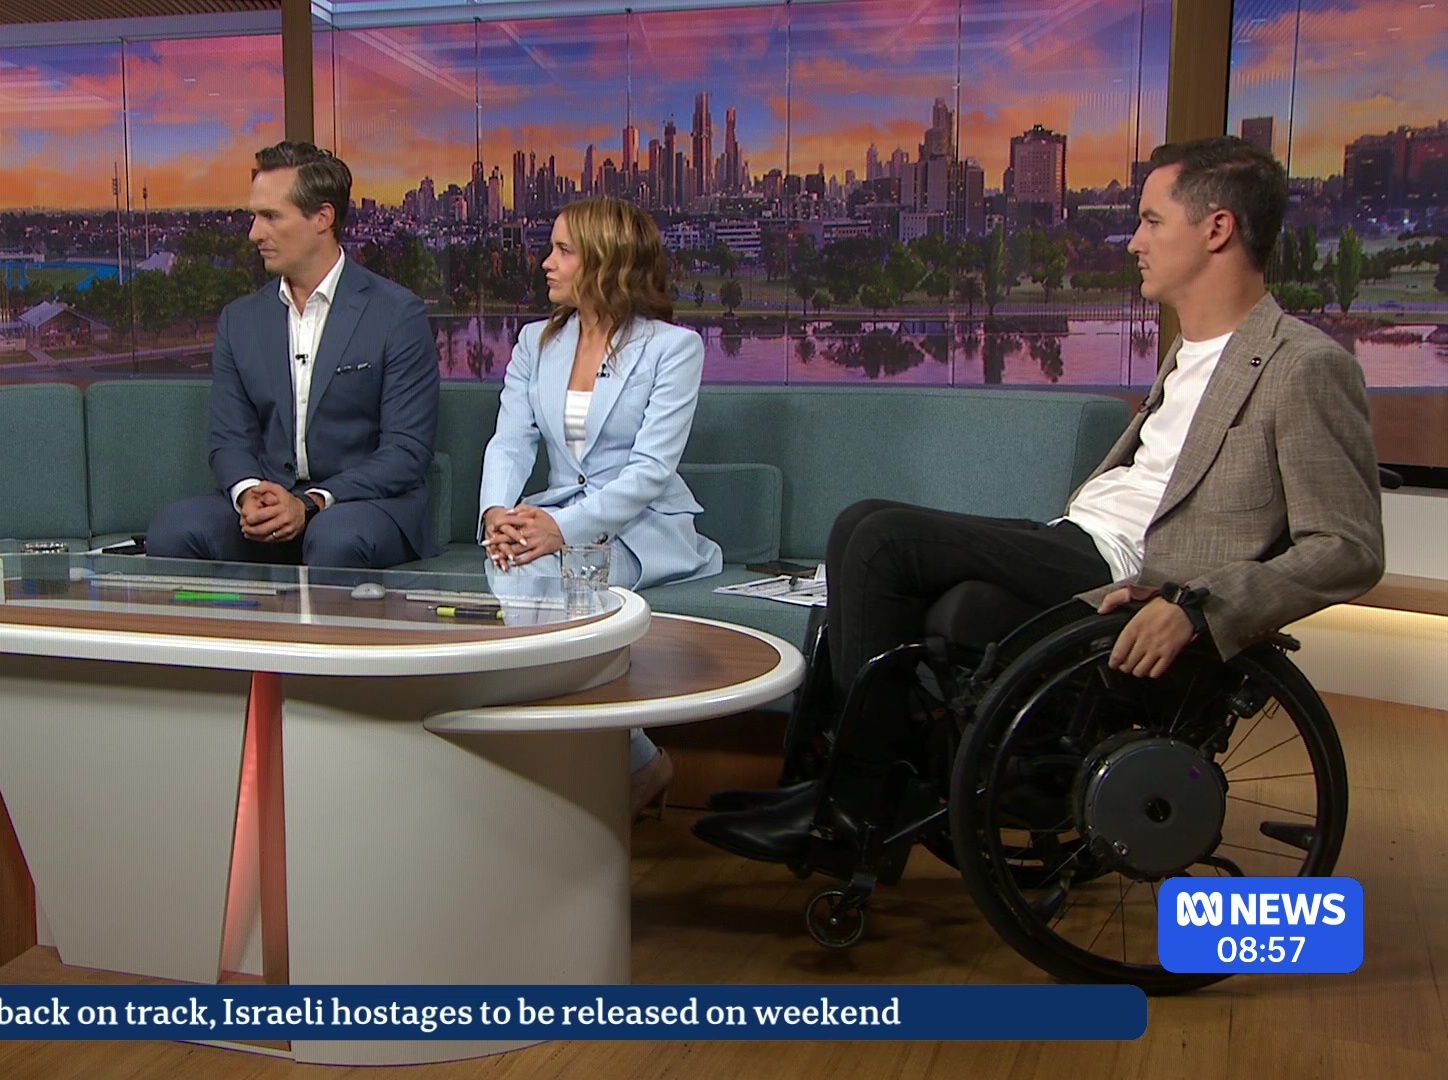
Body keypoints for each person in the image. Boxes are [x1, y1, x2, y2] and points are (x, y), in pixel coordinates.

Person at [695, 135, 1385, 861]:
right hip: (1077, 539)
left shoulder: (1303, 366)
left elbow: (1348, 548)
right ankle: (829, 788)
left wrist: (1199, 609)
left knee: (875, 534)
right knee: (906, 565)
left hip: (1126, 572)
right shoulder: (1190, 354)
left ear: (1217, 229)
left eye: (1152, 221)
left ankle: (854, 810)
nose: (1134, 242)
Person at [479, 197, 723, 819]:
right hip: (556, 512)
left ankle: (563, 777)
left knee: (544, 580)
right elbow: (510, 441)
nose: (546, 262)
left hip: (640, 526)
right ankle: (633, 759)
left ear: (605, 262)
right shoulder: (536, 342)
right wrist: (497, 515)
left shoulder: (673, 349)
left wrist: (560, 528)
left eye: (563, 251)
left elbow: (650, 472)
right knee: (515, 564)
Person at [146, 142, 440, 569]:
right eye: (254, 216)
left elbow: (406, 452)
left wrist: (310, 502)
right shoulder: (240, 321)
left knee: (333, 538)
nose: (254, 233)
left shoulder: (396, 314)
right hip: (273, 499)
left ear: (322, 218)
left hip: (362, 504)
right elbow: (229, 440)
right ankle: (236, 618)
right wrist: (249, 493)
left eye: (271, 216)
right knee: (175, 530)